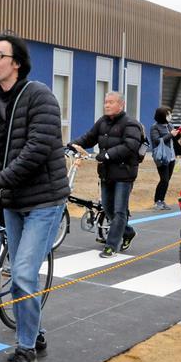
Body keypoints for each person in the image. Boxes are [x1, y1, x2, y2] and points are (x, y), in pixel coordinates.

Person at [0, 34, 68, 362]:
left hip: (44, 199)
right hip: (13, 202)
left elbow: (37, 149)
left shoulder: (40, 97)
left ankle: (25, 350)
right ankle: (34, 332)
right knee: (22, 274)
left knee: (23, 273)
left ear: (17, 63)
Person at [70, 91, 143, 258]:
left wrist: (107, 154)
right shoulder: (102, 122)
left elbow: (130, 145)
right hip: (106, 173)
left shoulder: (131, 124)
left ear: (121, 105)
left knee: (119, 211)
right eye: (105, 102)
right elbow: (89, 138)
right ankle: (128, 232)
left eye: (111, 102)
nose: (107, 105)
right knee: (108, 210)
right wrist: (72, 144)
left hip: (124, 175)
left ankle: (111, 245)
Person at [149, 106, 181, 210]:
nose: (170, 116)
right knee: (164, 179)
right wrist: (170, 134)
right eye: (168, 114)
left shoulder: (170, 125)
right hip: (162, 156)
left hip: (172, 156)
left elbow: (173, 139)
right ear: (162, 116)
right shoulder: (154, 127)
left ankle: (162, 200)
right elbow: (156, 141)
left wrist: (179, 134)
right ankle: (157, 201)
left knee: (167, 180)